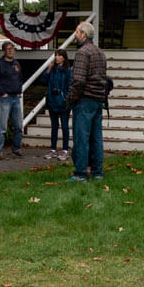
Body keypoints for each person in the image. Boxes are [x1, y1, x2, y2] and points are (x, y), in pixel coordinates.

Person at [68, 21, 109, 181]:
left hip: (84, 99)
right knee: (96, 138)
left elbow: (78, 80)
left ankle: (80, 173)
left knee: (81, 138)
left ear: (83, 35)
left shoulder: (82, 53)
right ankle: (97, 172)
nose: (75, 35)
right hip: (98, 99)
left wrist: (71, 98)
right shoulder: (100, 53)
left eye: (77, 32)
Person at [0, 40, 24, 160]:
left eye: (12, 48)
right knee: (2, 127)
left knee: (19, 126)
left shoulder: (17, 64)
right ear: (4, 51)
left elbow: (20, 79)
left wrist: (19, 91)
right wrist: (2, 92)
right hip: (4, 99)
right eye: (8, 49)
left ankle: (16, 149)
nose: (10, 51)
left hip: (16, 98)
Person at [45, 50, 72, 161]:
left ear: (64, 58)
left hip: (63, 102)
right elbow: (44, 81)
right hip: (52, 101)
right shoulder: (53, 70)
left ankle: (65, 150)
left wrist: (65, 98)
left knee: (64, 126)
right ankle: (53, 149)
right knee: (54, 126)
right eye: (56, 55)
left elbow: (70, 85)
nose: (57, 57)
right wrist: (48, 70)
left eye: (59, 55)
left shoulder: (68, 71)